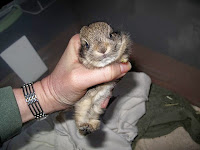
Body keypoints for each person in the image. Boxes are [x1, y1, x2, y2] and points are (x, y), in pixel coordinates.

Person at [0, 34, 132, 143]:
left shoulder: (116, 45)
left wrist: (47, 94)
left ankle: (88, 122)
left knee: (95, 106)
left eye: (108, 35)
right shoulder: (85, 60)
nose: (102, 48)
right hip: (91, 93)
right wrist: (49, 93)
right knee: (87, 104)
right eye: (87, 45)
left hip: (100, 91)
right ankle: (85, 123)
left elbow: (122, 44)